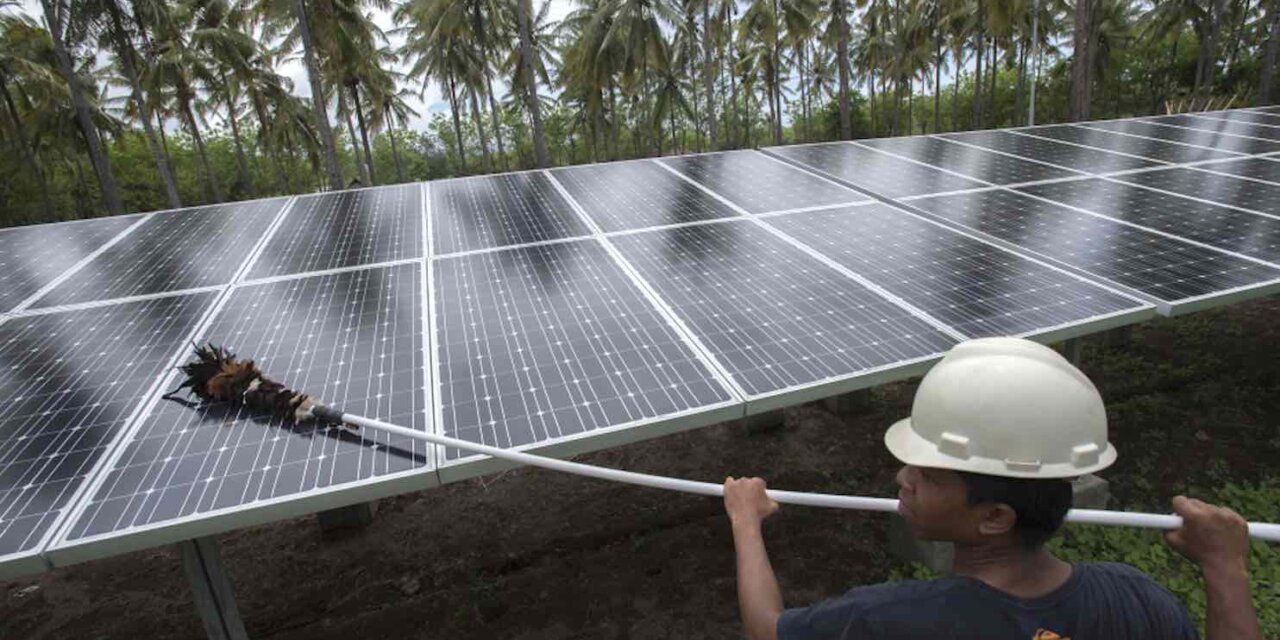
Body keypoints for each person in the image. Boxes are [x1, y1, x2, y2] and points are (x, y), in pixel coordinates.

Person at [724, 337, 1262, 640]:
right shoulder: (1134, 600)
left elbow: (766, 631)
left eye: (927, 475)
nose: (902, 479)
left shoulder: (888, 621)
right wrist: (1224, 570)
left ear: (995, 517)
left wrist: (746, 522)